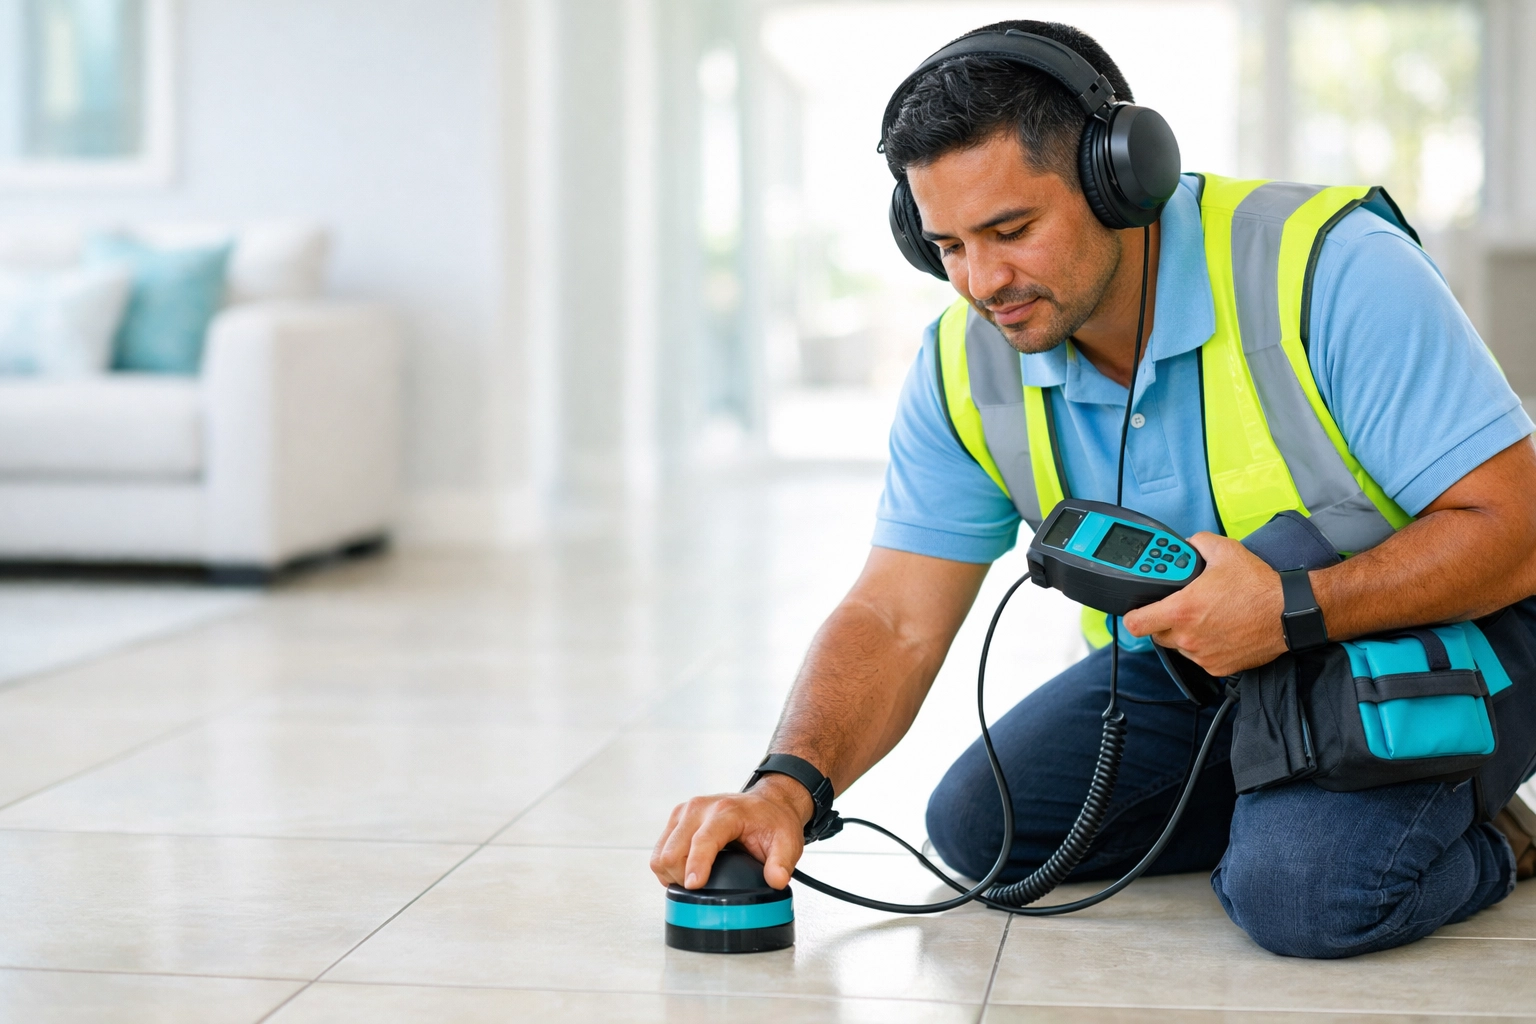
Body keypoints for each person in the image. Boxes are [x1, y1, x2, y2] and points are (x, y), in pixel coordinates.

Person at [651, 19, 1536, 958]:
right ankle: (1300, 792)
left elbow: (1518, 528)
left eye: (1012, 230)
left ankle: (1494, 839)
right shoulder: (966, 363)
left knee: (1303, 896)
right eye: (948, 245)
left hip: (1436, 633)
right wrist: (786, 786)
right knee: (982, 833)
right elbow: (896, 614)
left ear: (1122, 177)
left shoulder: (1331, 268)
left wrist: (1291, 607)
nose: (983, 281)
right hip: (1207, 661)